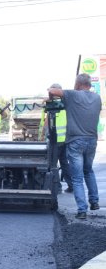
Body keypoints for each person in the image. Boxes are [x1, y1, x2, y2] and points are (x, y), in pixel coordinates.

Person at [48, 74, 102, 220]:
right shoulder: (97, 98)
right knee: (88, 171)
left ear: (78, 84)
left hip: (75, 141)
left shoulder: (73, 95)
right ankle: (94, 201)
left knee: (77, 178)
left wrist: (66, 92)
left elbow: (53, 91)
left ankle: (82, 210)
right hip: (91, 141)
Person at [39, 83, 71, 193]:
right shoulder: (67, 104)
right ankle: (71, 185)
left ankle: (57, 187)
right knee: (64, 163)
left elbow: (47, 123)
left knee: (53, 164)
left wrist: (42, 135)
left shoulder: (52, 105)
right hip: (65, 140)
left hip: (55, 140)